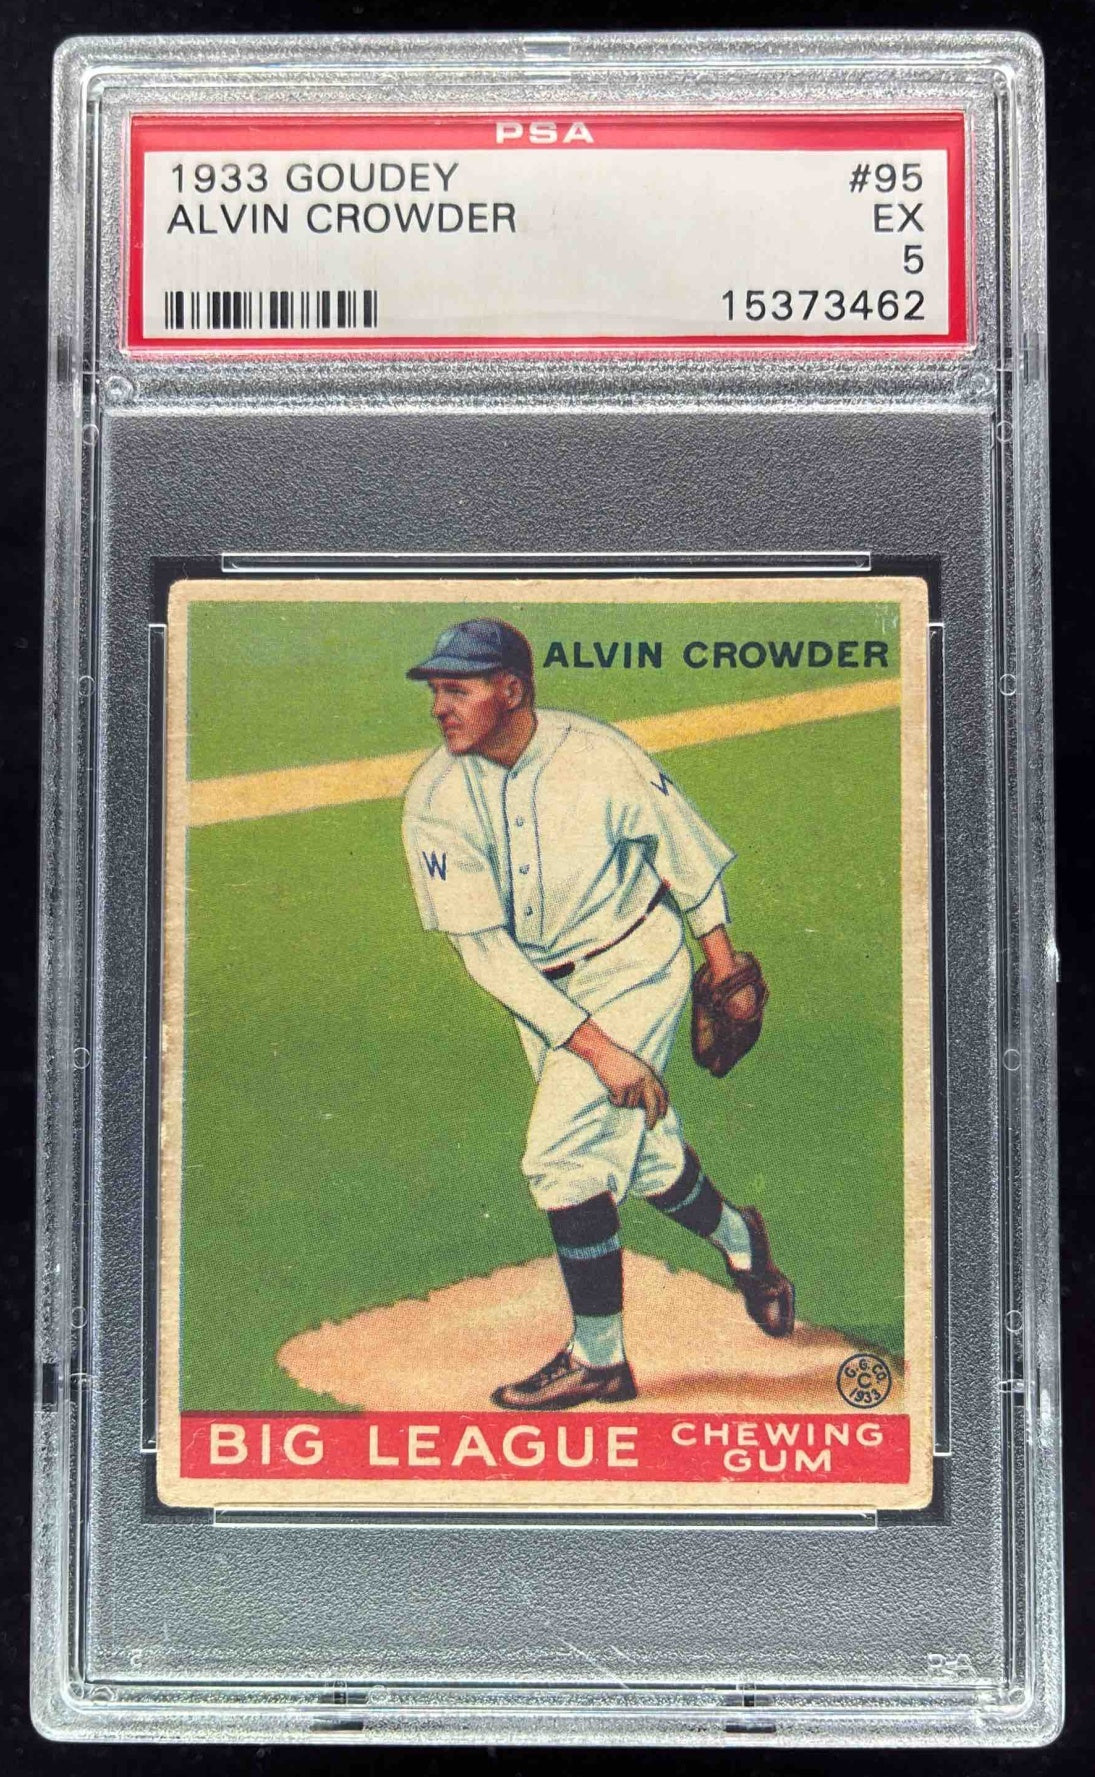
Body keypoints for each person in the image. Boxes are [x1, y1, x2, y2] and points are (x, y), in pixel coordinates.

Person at [401, 618, 794, 1410]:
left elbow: (681, 849)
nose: (439, 707)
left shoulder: (598, 755)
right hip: (540, 993)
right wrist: (594, 1047)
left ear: (511, 689)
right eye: (436, 690)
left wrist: (721, 962)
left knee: (563, 1157)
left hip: (633, 961)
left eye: (457, 689)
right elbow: (485, 953)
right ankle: (743, 1242)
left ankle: (599, 1358)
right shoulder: (434, 800)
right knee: (642, 1158)